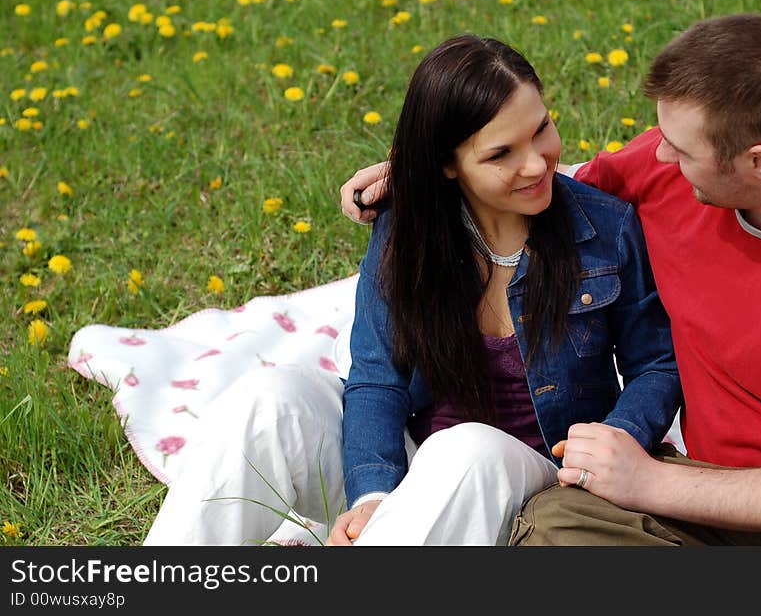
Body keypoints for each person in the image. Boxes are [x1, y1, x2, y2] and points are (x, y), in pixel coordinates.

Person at [339, 13, 761, 545]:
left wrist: (648, 477)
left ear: (759, 162)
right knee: (554, 527)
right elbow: (556, 193)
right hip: (693, 493)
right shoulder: (666, 166)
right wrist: (415, 176)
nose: (658, 153)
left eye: (680, 149)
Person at [145, 33, 681, 546]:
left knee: (464, 448)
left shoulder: (606, 230)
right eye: (501, 154)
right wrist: (373, 497)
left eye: (542, 129)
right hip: (412, 476)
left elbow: (657, 364)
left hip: (539, 486)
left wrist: (616, 438)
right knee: (274, 399)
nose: (537, 163)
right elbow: (378, 378)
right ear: (447, 165)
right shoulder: (408, 231)